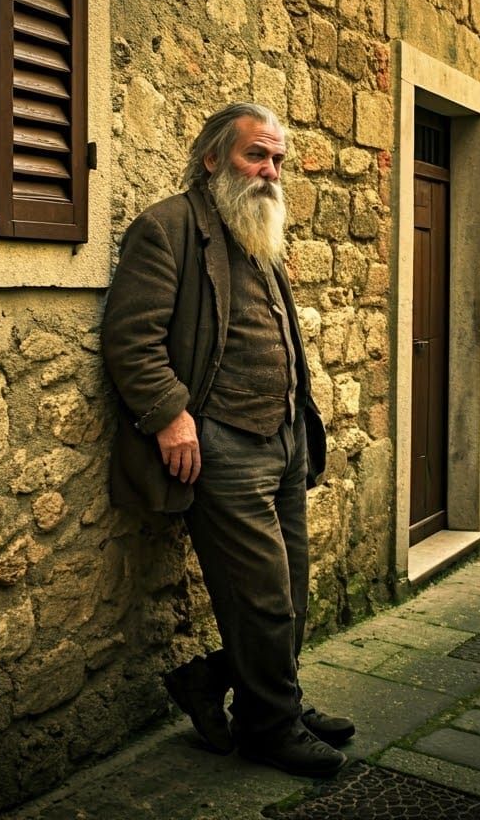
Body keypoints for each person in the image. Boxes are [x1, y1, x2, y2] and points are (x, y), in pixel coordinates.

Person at [102, 103, 354, 778]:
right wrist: (171, 415)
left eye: (277, 159)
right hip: (221, 444)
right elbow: (131, 339)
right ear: (213, 158)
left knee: (291, 593)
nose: (271, 171)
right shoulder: (167, 228)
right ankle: (270, 729)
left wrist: (300, 416)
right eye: (256, 156)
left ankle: (235, 689)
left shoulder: (258, 234)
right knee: (264, 598)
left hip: (283, 436)